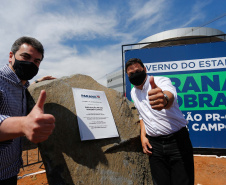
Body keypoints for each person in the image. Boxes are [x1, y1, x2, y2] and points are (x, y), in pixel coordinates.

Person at [125, 58, 194, 185]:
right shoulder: (133, 92)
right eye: (131, 73)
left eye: (138, 71)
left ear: (145, 70)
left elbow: (169, 95)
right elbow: (142, 115)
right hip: (154, 146)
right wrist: (143, 136)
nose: (135, 75)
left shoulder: (161, 81)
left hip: (177, 141)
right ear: (128, 76)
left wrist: (164, 99)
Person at [0, 36, 55, 184]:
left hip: (11, 171)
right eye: (26, 57)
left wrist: (37, 83)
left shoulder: (23, 86)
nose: (31, 63)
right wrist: (23, 125)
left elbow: (21, 85)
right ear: (11, 56)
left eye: (36, 61)